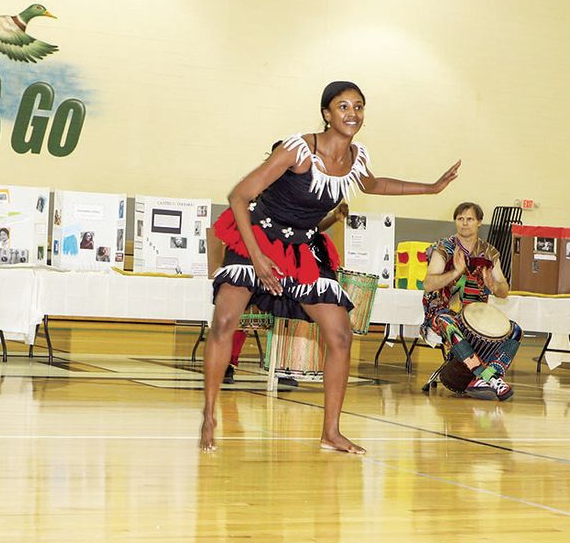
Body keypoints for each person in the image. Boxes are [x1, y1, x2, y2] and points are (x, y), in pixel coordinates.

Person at [200, 81, 459, 454]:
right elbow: (238, 196)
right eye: (343, 107)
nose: (352, 113)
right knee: (225, 322)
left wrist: (431, 188)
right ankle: (210, 415)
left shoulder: (357, 158)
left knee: (340, 335)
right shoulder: (298, 150)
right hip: (256, 238)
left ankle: (331, 432)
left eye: (358, 106)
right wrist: (257, 257)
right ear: (326, 113)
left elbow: (375, 184)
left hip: (301, 248)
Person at [224, 199, 349, 385]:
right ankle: (228, 363)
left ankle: (284, 367)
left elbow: (308, 231)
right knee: (242, 309)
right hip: (258, 262)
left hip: (286, 265)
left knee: (291, 311)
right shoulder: (258, 204)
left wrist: (334, 217)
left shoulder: (296, 203)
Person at [422, 201, 519, 400]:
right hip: (442, 314)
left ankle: (485, 377)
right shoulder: (444, 248)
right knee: (448, 322)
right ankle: (487, 377)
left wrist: (494, 286)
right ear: (455, 222)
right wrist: (455, 271)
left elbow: (504, 290)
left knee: (515, 330)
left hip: (475, 317)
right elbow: (428, 284)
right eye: (460, 219)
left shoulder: (489, 252)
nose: (465, 223)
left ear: (479, 222)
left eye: (470, 219)